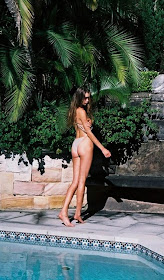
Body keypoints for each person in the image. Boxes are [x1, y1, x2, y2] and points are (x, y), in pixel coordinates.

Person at [58, 87, 111, 226]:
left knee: (75, 182)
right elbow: (89, 132)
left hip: (76, 144)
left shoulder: (74, 110)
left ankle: (74, 214)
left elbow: (81, 127)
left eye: (88, 97)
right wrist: (102, 148)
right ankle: (67, 212)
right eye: (84, 98)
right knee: (81, 182)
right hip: (85, 144)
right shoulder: (81, 111)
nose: (87, 100)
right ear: (79, 97)